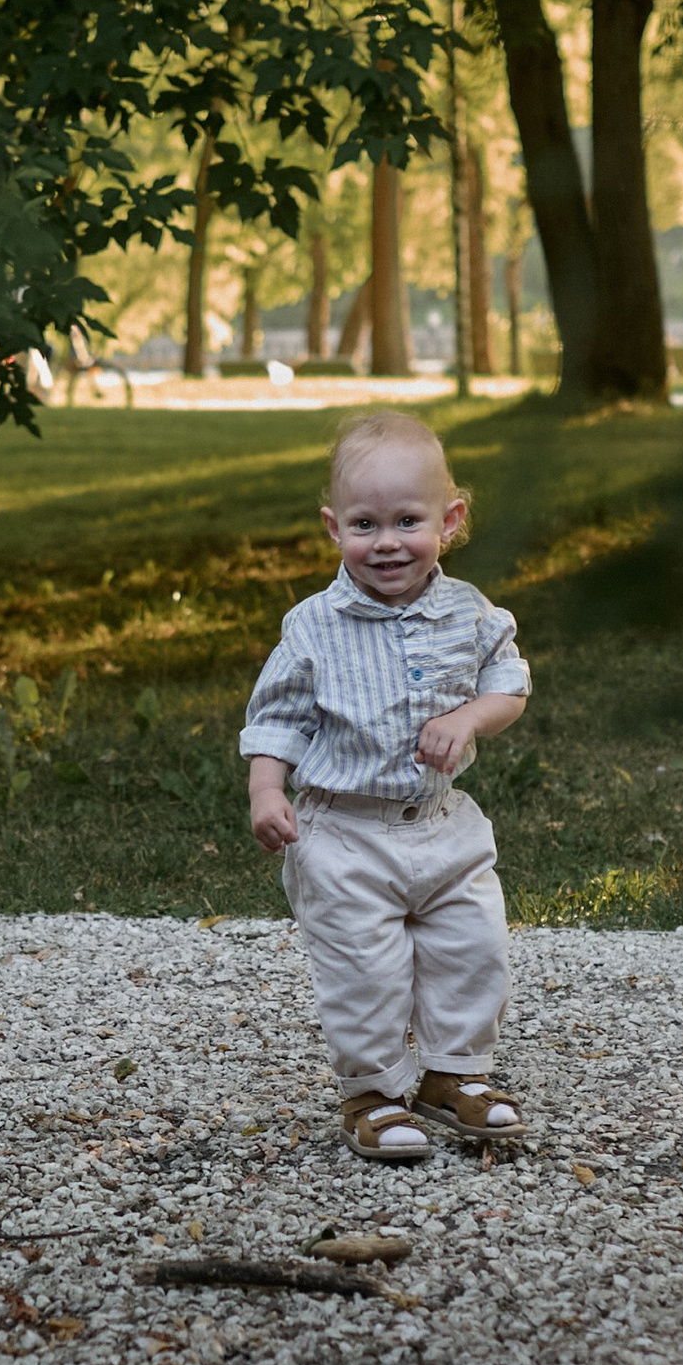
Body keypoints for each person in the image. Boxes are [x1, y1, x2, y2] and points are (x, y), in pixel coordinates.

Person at [241, 414, 531, 1160]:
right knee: (364, 971)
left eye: (409, 521)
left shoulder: (470, 612)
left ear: (450, 519)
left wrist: (469, 718)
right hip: (344, 834)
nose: (388, 542)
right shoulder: (313, 627)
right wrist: (267, 793)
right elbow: (278, 721)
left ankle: (451, 1076)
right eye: (365, 524)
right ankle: (370, 1092)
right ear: (334, 528)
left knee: (472, 950)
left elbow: (510, 686)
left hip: (443, 824)